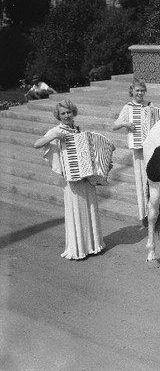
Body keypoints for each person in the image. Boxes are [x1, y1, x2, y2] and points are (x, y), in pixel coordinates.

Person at [33, 99, 105, 260]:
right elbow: (36, 144)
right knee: (76, 211)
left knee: (90, 209)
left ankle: (93, 245)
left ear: (73, 113)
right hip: (71, 178)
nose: (66, 116)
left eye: (68, 112)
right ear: (58, 116)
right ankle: (78, 248)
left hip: (86, 178)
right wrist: (54, 136)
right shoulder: (56, 131)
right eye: (63, 113)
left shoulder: (79, 131)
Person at [113, 78, 150, 226]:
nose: (140, 93)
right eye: (137, 91)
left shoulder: (149, 106)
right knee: (140, 180)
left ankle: (152, 211)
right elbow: (115, 125)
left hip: (149, 147)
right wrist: (125, 123)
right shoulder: (127, 107)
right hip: (137, 148)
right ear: (132, 92)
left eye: (142, 90)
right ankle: (143, 213)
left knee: (150, 179)